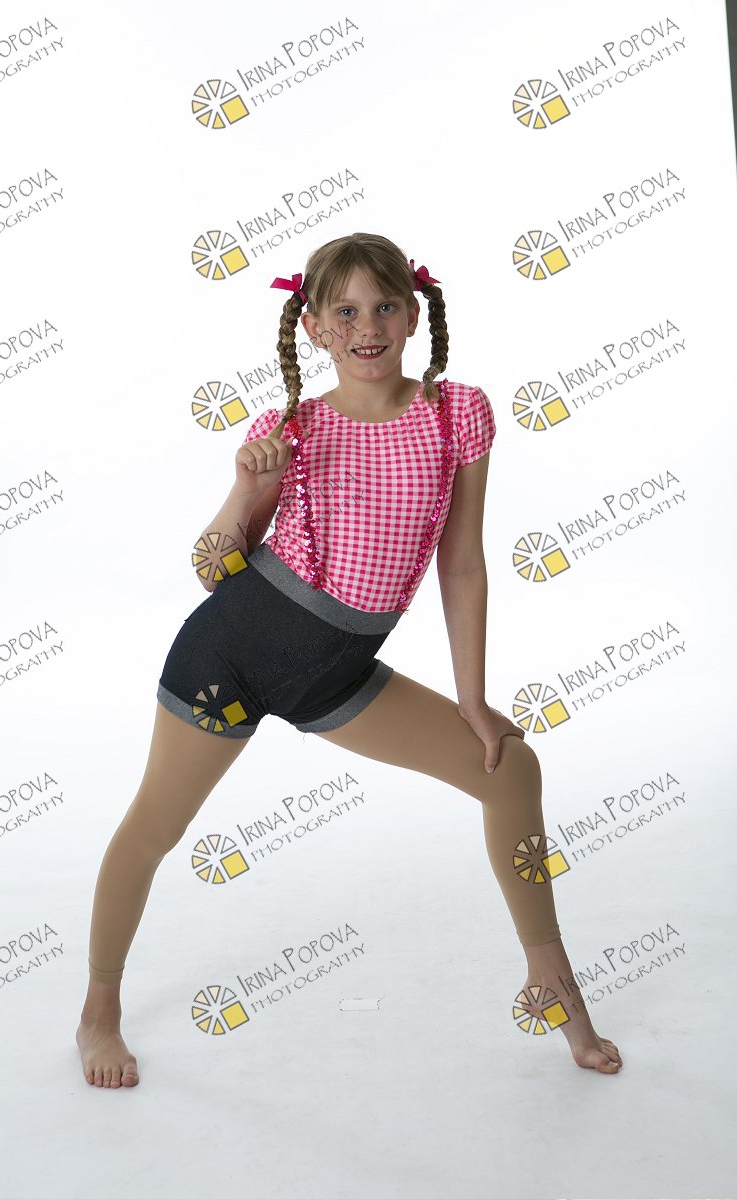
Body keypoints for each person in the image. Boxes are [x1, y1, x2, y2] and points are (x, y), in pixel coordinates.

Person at [76, 231, 623, 1087]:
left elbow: (462, 564)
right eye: (347, 311)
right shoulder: (290, 429)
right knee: (155, 828)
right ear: (316, 328)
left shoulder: (457, 414)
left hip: (335, 674)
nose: (367, 326)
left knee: (510, 768)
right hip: (231, 656)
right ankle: (97, 1010)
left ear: (413, 315)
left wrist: (472, 700)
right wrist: (245, 489)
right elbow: (212, 570)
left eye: (384, 306)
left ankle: (551, 981)